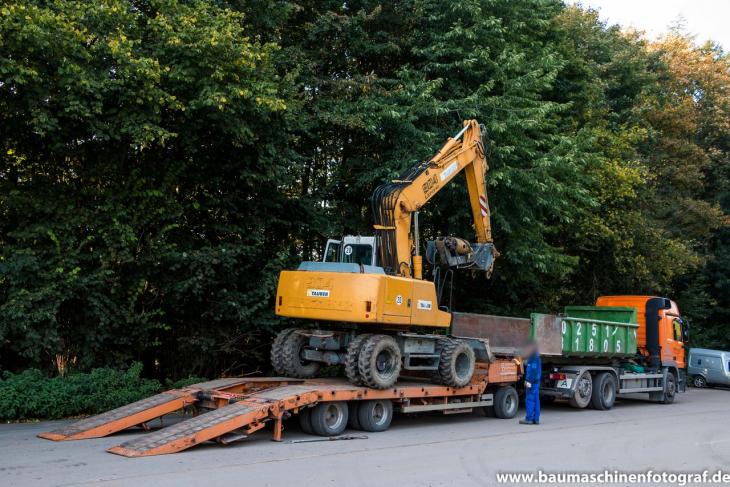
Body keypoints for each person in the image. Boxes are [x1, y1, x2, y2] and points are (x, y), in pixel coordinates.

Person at [519, 339, 541, 425]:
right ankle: (536, 419)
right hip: (535, 382)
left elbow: (533, 371)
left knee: (530, 399)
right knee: (535, 400)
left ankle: (529, 419)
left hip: (532, 382)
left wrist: (528, 381)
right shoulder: (535, 356)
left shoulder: (533, 358)